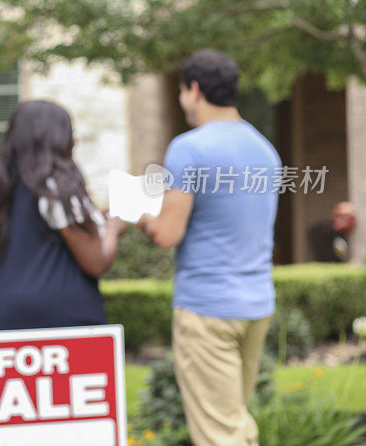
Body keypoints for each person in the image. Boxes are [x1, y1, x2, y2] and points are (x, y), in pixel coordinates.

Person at [137, 49, 280, 446]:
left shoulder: (189, 149)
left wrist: (143, 215)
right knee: (235, 423)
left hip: (207, 309)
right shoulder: (265, 151)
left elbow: (168, 233)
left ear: (194, 90)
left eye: (183, 91)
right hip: (255, 305)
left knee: (220, 435)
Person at [0, 100, 127, 330]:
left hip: (5, 318)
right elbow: (95, 261)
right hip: (60, 321)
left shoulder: (9, 192)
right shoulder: (57, 188)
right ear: (58, 140)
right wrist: (114, 227)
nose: (75, 140)